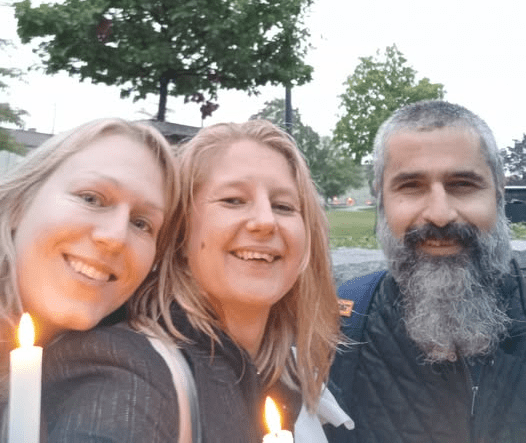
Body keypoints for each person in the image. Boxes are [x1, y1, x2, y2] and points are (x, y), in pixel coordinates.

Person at [42, 119, 342, 443]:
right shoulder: (127, 366)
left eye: (283, 206)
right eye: (233, 200)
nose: (266, 221)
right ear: (181, 232)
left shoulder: (296, 374)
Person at [326, 100, 526, 443]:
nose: (440, 214)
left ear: (499, 192)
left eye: (462, 184)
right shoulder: (336, 333)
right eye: (411, 186)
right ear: (382, 200)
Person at [0, 118, 178, 432]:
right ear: (19, 203)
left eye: (141, 223)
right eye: (91, 198)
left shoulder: (130, 370)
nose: (115, 237)